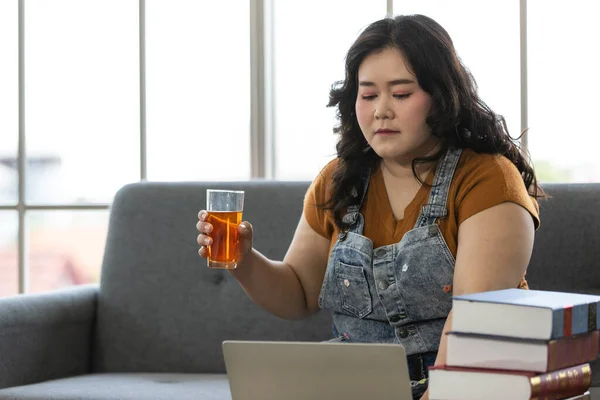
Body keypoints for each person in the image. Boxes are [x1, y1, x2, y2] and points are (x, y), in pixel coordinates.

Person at [197, 14, 542, 400]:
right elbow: (296, 294)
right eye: (368, 94)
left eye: (401, 94)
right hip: (352, 383)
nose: (381, 110)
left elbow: (473, 324)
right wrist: (243, 261)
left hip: (465, 384)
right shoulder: (337, 180)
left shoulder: (488, 179)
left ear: (441, 97)